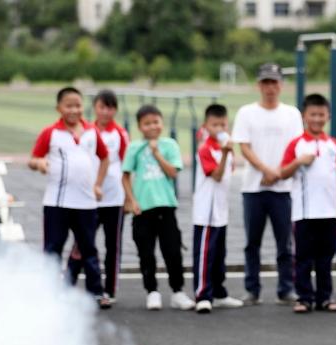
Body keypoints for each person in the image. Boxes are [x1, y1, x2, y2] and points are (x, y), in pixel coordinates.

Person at [29, 87, 111, 309]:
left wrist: (98, 184)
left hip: (85, 203)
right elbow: (34, 158)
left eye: (77, 105)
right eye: (68, 105)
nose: (74, 110)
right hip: (57, 202)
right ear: (59, 108)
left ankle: (96, 291)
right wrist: (41, 164)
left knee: (89, 249)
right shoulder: (51, 133)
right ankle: (48, 290)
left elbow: (105, 158)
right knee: (53, 247)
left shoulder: (92, 132)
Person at [231, 63, 303, 305]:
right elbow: (244, 146)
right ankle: (252, 288)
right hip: (254, 186)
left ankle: (286, 288)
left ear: (281, 85)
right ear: (258, 85)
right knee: (253, 242)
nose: (270, 87)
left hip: (282, 188)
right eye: (265, 83)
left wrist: (278, 173)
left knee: (285, 243)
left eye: (274, 82)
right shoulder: (246, 112)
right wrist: (266, 170)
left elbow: (296, 148)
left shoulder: (292, 113)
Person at [121, 104, 195, 311]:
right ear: (139, 126)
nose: (152, 126)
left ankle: (177, 291)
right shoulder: (135, 147)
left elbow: (173, 172)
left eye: (156, 122)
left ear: (162, 123)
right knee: (146, 252)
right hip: (143, 209)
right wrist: (131, 200)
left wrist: (156, 153)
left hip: (166, 207)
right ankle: (152, 291)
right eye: (147, 123)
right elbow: (125, 175)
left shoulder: (169, 145)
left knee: (172, 250)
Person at [279, 94, 336, 314]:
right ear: (304, 116)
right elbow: (282, 172)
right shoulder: (296, 145)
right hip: (304, 213)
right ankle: (304, 297)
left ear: (328, 116)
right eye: (313, 114)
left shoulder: (333, 145)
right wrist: (298, 162)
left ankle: (325, 297)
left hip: (328, 211)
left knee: (326, 258)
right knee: (303, 258)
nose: (317, 119)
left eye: (321, 114)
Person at [67, 89, 128, 304]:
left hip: (113, 197)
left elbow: (125, 166)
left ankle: (109, 290)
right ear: (95, 108)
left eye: (110, 108)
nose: (106, 112)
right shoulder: (86, 132)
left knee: (113, 245)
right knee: (82, 243)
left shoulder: (120, 133)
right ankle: (68, 284)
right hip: (87, 198)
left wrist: (129, 197)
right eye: (102, 107)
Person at [191, 104, 244, 314]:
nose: (220, 128)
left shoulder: (227, 149)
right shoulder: (206, 149)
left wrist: (227, 152)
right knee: (205, 254)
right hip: (206, 212)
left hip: (221, 211)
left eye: (223, 124)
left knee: (219, 254)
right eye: (215, 125)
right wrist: (224, 154)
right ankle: (202, 294)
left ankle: (219, 292)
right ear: (207, 126)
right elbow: (216, 175)